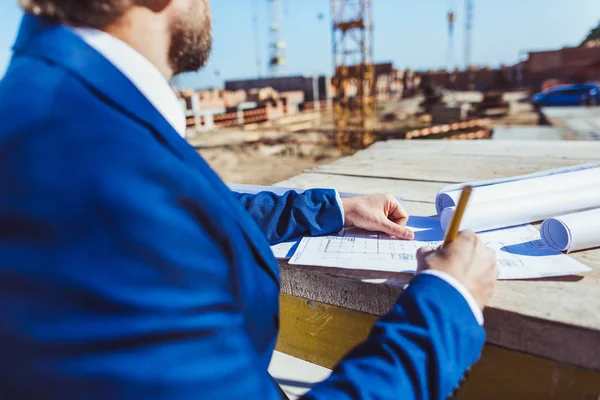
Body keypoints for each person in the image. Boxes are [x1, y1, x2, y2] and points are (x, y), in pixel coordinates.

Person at [0, 1, 498, 399]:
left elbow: (188, 213)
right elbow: (146, 219)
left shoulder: (56, 101)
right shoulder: (93, 162)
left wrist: (334, 210)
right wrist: (447, 306)